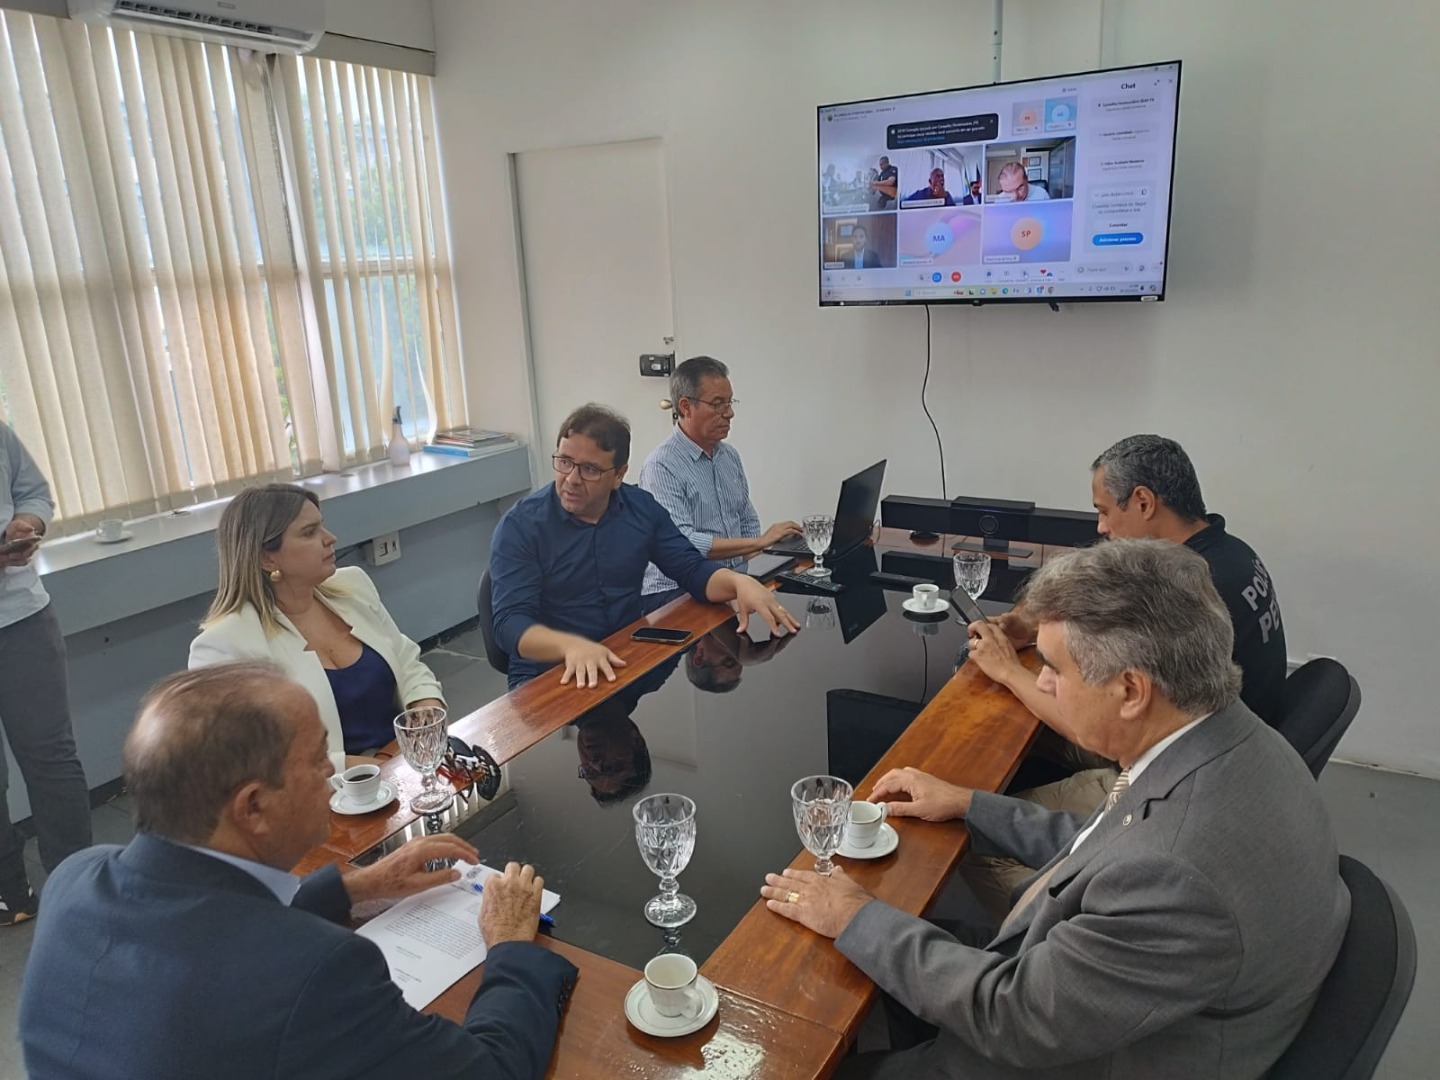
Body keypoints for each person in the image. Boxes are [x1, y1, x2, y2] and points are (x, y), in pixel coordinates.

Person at [759, 540, 1349, 1080]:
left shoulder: (1177, 878)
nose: (1040, 685)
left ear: (1130, 690)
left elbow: (1009, 1016)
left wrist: (855, 916)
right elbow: (1112, 842)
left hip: (1067, 1049)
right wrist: (968, 804)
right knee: (881, 943)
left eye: (1054, 669)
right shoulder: (1234, 740)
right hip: (1106, 999)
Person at [19, 662, 577, 1079]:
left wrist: (353, 888)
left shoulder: (74, 880)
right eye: (317, 761)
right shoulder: (317, 974)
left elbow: (205, 931)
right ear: (253, 807)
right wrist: (509, 946)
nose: (331, 777)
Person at [962, 434, 1291, 918]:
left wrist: (1011, 671)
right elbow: (1106, 588)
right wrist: (1022, 625)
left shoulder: (1186, 586)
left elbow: (1091, 720)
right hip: (1229, 749)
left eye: (1104, 511)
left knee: (978, 834)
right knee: (1016, 736)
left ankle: (1056, 922)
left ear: (1143, 501)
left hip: (1177, 778)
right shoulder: (1227, 554)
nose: (1101, 528)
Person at [489, 403, 800, 690]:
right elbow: (509, 623)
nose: (571, 479)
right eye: (564, 462)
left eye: (589, 469)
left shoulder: (639, 509)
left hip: (623, 655)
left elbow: (691, 570)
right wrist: (571, 646)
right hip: (550, 673)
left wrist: (738, 582)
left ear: (619, 474)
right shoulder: (523, 526)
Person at [190, 484, 444, 767]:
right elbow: (259, 758)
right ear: (266, 557)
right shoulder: (226, 645)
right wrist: (377, 768)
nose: (331, 539)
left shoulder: (354, 586)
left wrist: (426, 712)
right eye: (309, 532)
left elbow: (407, 662)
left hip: (406, 761)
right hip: (331, 792)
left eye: (322, 527)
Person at [0, 423, 91, 925]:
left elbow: (32, 491)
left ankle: (74, 884)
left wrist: (26, 521)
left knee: (52, 757)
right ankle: (9, 892)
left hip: (22, 617)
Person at [639, 357, 799, 607]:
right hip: (677, 590)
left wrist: (761, 558)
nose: (729, 413)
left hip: (732, 580)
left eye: (730, 402)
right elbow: (684, 544)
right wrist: (759, 542)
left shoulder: (728, 456)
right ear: (686, 407)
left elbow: (746, 518)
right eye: (717, 404)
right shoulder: (660, 467)